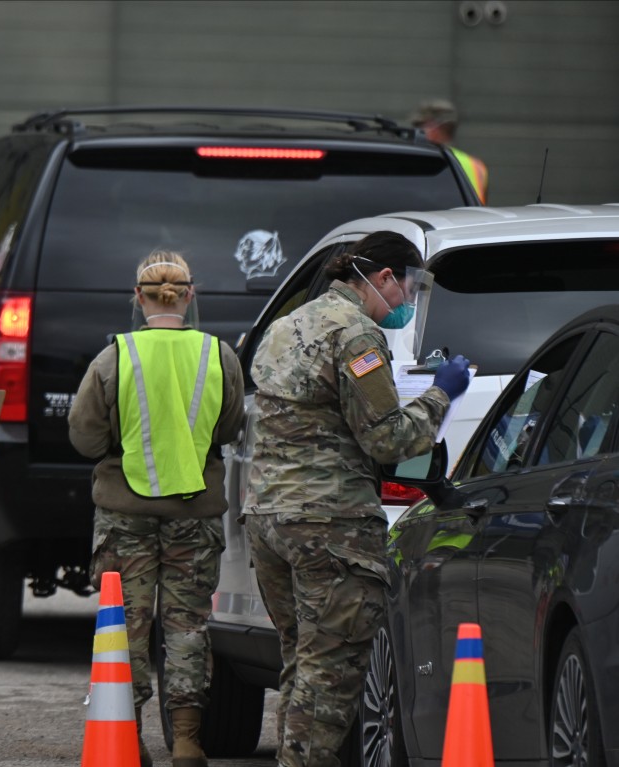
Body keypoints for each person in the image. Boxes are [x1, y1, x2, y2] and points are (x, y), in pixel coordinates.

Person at [243, 231, 471, 767]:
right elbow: (389, 439)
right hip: (331, 524)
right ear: (384, 278)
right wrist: (444, 391)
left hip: (270, 520)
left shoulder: (287, 324)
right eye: (409, 289)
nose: (408, 303)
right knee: (330, 679)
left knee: (303, 666)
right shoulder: (357, 335)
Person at [67, 251, 244, 767]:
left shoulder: (113, 358)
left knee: (126, 625)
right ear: (190, 297)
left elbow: (84, 435)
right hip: (196, 511)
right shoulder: (220, 355)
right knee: (188, 624)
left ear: (137, 298)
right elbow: (229, 428)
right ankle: (187, 737)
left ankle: (129, 734)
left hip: (125, 510)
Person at [411, 99, 489, 203]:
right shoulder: (476, 165)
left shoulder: (421, 161)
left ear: (435, 128)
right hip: (473, 218)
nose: (416, 131)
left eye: (421, 125)